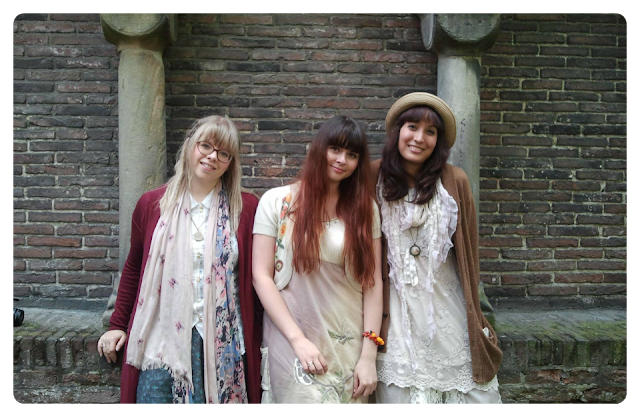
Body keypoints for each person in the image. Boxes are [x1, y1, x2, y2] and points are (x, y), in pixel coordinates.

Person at [97, 115, 262, 404]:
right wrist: (117, 325)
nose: (212, 156)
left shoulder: (246, 208)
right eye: (206, 146)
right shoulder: (152, 204)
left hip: (224, 346)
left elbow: (258, 279)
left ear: (230, 163)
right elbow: (134, 268)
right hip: (162, 342)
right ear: (189, 146)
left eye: (223, 153)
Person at [372, 92, 503, 404]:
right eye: (412, 127)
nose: (419, 138)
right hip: (396, 320)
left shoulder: (455, 181)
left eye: (430, 132)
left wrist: (477, 318)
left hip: (449, 316)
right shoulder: (371, 177)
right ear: (398, 131)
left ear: (438, 141)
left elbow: (469, 255)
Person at [252, 115, 383, 404]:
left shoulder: (365, 210)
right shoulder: (276, 202)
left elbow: (372, 284)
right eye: (335, 149)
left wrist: (368, 355)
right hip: (292, 339)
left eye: (352, 154)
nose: (342, 160)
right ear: (319, 148)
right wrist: (297, 340)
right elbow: (261, 277)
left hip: (347, 344)